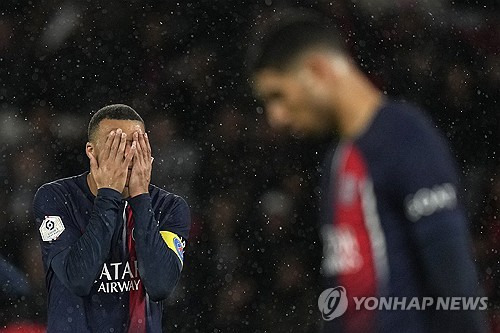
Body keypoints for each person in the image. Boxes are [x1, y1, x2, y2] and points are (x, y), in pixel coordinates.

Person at [249, 11, 487, 333]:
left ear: (317, 70)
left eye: (277, 95)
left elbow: (454, 279)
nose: (275, 117)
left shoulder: (405, 136)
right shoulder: (339, 158)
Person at [33, 104, 190, 332]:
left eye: (134, 145)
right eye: (115, 145)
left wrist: (141, 198)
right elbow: (78, 279)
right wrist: (109, 195)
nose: (126, 156)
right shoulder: (57, 198)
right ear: (91, 151)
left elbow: (160, 286)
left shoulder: (169, 207)